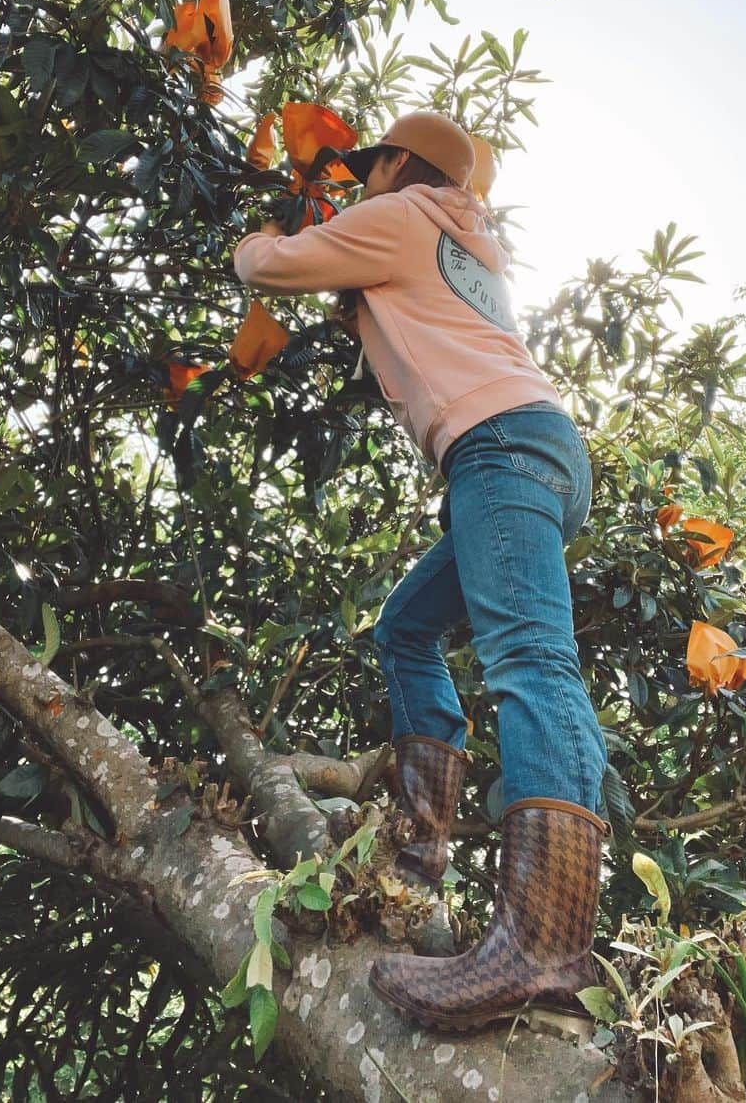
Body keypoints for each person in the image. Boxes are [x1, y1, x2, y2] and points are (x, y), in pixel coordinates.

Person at [232, 110, 608, 1033]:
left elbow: (269, 267)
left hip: (501, 446)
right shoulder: (468, 246)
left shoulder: (405, 217)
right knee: (406, 625)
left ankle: (548, 945)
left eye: (372, 167)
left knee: (530, 662)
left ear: (399, 163)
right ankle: (419, 852)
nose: (363, 181)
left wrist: (261, 235)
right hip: (535, 449)